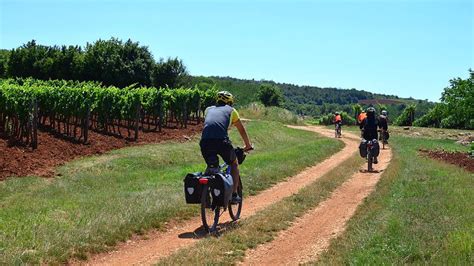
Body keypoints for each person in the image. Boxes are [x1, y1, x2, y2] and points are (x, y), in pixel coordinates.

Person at [200, 91, 253, 204]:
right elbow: (241, 130)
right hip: (221, 142)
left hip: (205, 142)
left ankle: (205, 194)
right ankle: (234, 195)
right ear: (230, 102)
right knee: (234, 163)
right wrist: (248, 145)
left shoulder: (208, 109)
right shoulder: (232, 111)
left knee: (212, 165)